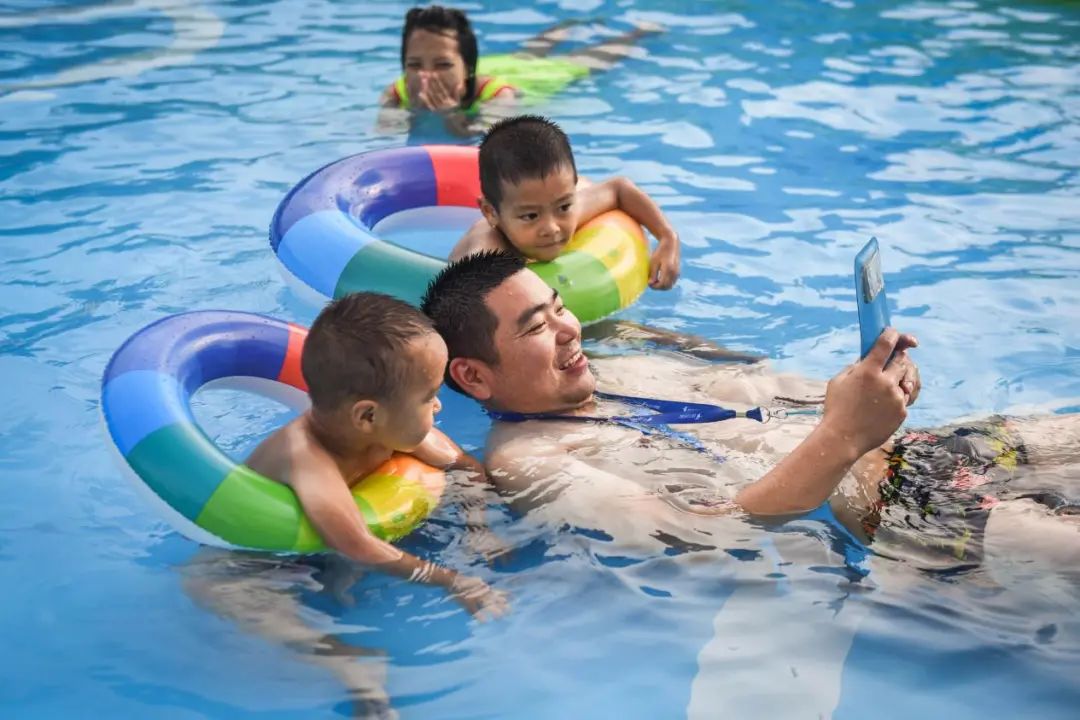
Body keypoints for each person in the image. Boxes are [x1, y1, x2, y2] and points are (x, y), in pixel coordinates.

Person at [420, 251, 1080, 575]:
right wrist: (846, 432)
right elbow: (709, 534)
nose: (568, 328)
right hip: (902, 520)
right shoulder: (532, 463)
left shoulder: (624, 371)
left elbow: (779, 392)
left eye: (559, 305)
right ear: (475, 375)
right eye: (538, 326)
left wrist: (875, 383)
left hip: (931, 451)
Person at [450, 114, 682, 291]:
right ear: (490, 212)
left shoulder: (555, 208)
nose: (552, 227)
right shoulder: (484, 258)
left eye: (564, 207)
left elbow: (618, 189)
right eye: (530, 216)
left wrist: (667, 237)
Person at [377, 6, 661, 137]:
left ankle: (637, 32)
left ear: (467, 68)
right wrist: (412, 114)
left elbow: (487, 136)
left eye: (442, 65)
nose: (427, 76)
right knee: (526, 53)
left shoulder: (500, 96)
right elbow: (384, 137)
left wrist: (451, 115)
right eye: (414, 65)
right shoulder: (396, 93)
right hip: (500, 63)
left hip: (525, 77)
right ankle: (571, 23)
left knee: (581, 61)